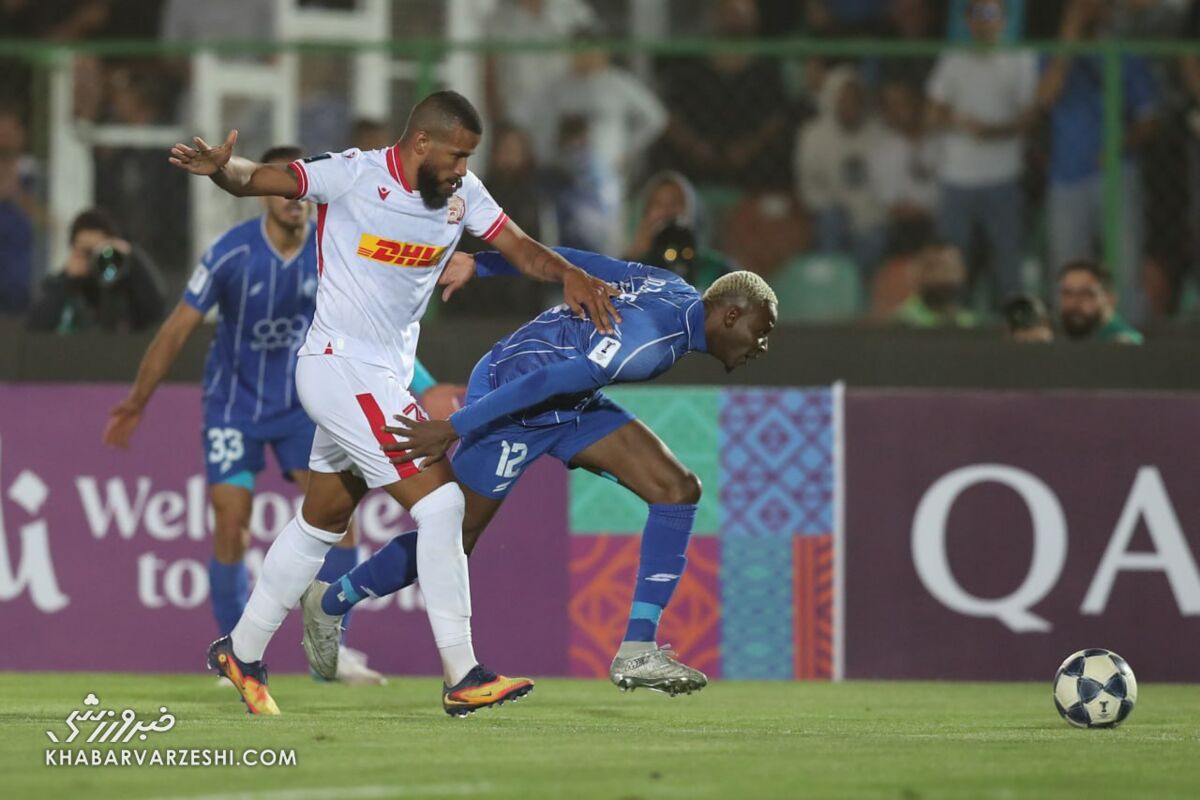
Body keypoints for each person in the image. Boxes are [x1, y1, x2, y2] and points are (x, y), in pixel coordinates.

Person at [167, 91, 619, 716]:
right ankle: (462, 673)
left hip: (379, 377)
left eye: (470, 158)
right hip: (341, 365)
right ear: (421, 143)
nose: (462, 169)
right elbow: (259, 179)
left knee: (321, 521)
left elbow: (519, 246)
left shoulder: (462, 194)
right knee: (444, 504)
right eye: (456, 155)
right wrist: (223, 168)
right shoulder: (353, 174)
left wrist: (567, 272)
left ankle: (240, 653)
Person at [301, 247, 777, 696]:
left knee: (677, 489)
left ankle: (638, 649)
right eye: (761, 329)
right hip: (516, 400)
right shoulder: (647, 345)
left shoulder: (669, 287)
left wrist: (484, 264)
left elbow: (580, 263)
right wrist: (455, 426)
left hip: (569, 402)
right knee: (455, 538)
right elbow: (546, 381)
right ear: (730, 315)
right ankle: (329, 603)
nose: (762, 344)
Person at [103, 145, 455, 686]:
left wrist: (425, 387)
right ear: (267, 195)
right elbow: (177, 329)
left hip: (300, 406)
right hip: (233, 406)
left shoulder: (334, 247)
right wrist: (136, 400)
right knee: (231, 522)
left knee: (337, 520)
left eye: (304, 194)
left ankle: (332, 651)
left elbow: (377, 333)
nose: (296, 202)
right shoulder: (232, 253)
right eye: (287, 193)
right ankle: (233, 654)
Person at [1037, 0, 1158, 324]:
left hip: (1117, 171)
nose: (1086, 9)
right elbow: (1045, 98)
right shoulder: (1052, 55)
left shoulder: (1125, 54)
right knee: (1067, 265)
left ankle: (1127, 329)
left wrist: (1119, 145)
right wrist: (1070, 39)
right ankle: (1072, 331)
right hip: (1066, 175)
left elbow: (1148, 118)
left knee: (1125, 262)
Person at [927, 0, 1037, 307]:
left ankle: (1016, 328)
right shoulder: (952, 59)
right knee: (951, 266)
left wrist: (991, 131)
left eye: (991, 14)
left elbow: (1028, 118)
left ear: (1003, 19)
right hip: (956, 178)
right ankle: (953, 326)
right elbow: (933, 113)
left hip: (1003, 177)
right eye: (978, 14)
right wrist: (961, 121)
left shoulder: (1021, 59)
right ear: (967, 21)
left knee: (1008, 264)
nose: (985, 21)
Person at [27, 208, 165, 333]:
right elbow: (36, 328)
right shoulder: (60, 286)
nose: (92, 260)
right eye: (87, 252)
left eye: (100, 252)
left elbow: (156, 311)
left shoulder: (126, 286)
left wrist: (132, 258)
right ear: (73, 250)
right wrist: (66, 280)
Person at [626, 171, 734, 291]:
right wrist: (634, 255)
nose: (667, 211)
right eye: (658, 204)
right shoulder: (635, 267)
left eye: (675, 202)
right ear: (646, 213)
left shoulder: (715, 269)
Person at [1057, 259, 1144, 344]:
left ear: (1111, 299)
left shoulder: (1126, 342)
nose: (1074, 302)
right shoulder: (1060, 338)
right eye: (1067, 293)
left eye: (1086, 294)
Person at [893, 242, 977, 328]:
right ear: (920, 273)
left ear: (963, 272)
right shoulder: (903, 322)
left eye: (951, 268)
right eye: (935, 268)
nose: (945, 276)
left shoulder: (970, 322)